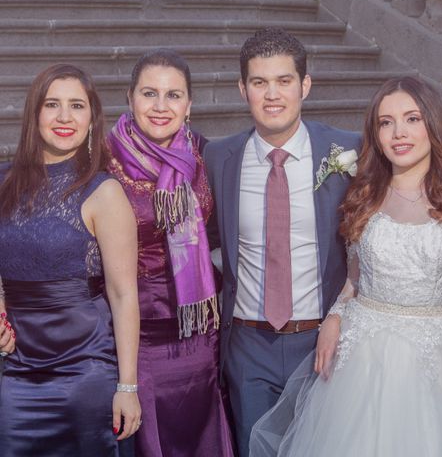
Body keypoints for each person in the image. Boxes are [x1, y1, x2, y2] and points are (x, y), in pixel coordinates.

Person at [249, 76, 442, 456]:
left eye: (412, 119)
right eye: (386, 122)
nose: (399, 132)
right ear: (376, 133)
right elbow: (353, 280)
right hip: (362, 357)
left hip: (436, 359)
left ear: (432, 125)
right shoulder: (364, 196)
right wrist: (334, 318)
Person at [204, 27, 360, 457]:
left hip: (325, 341)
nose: (272, 94)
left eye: (284, 81)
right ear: (242, 89)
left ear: (305, 85)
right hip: (249, 347)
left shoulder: (349, 151)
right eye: (259, 82)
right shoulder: (219, 158)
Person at [0, 64, 141, 456]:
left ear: (92, 118)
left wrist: (127, 387)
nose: (65, 117)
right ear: (34, 115)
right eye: (53, 105)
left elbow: (124, 295)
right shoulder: (2, 183)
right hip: (15, 376)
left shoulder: (104, 192)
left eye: (77, 105)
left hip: (85, 377)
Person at [107, 49, 234, 457]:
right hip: (134, 335)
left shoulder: (205, 153)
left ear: (189, 103)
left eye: (173, 95)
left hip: (200, 332)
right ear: (130, 98)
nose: (161, 107)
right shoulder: (101, 160)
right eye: (149, 93)